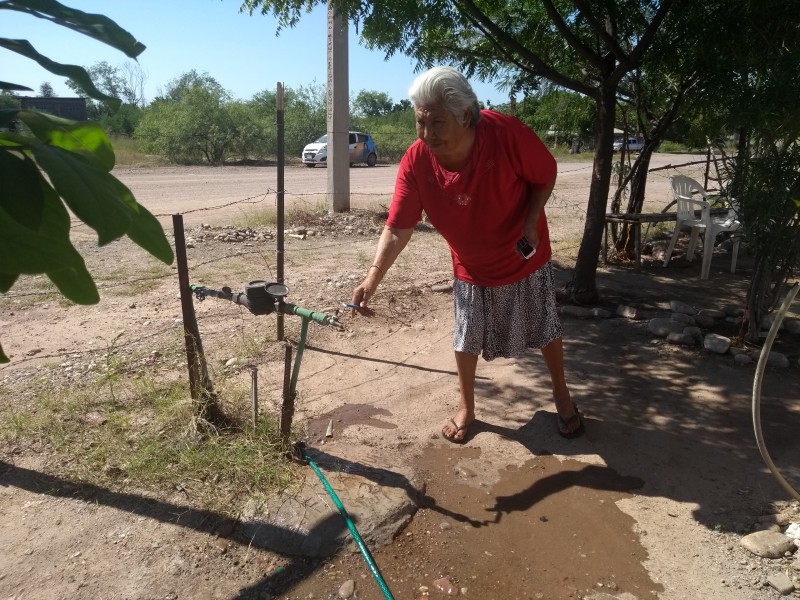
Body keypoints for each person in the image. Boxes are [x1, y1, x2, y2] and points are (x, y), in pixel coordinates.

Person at [349, 66, 583, 442]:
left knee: (544, 327)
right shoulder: (417, 160)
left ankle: (561, 394)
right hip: (470, 264)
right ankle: (467, 407)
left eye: (436, 123)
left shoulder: (505, 133)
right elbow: (398, 225)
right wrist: (372, 277)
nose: (427, 134)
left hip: (524, 254)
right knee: (465, 337)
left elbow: (545, 174)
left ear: (465, 115)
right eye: (420, 123)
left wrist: (530, 219)